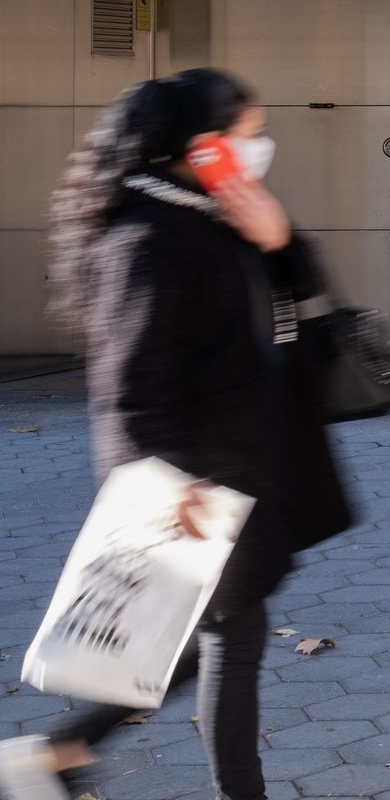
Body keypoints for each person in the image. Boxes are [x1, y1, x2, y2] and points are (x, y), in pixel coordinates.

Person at [0, 71, 355, 800]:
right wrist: (166, 482)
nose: (260, 149)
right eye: (248, 135)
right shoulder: (145, 240)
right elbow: (129, 387)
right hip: (197, 480)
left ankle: (60, 753)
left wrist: (279, 239)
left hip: (245, 466)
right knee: (232, 637)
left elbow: (300, 312)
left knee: (203, 638)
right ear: (204, 147)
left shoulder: (210, 216)